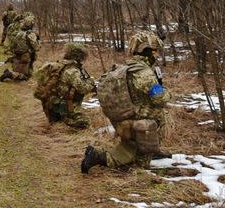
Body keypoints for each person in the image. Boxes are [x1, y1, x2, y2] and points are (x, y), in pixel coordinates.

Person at [82, 31, 171, 173]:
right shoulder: (144, 73)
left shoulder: (127, 68)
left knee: (132, 150)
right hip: (139, 119)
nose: (157, 56)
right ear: (147, 51)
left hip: (125, 117)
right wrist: (167, 93)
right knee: (138, 165)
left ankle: (149, 151)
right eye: (155, 52)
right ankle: (97, 157)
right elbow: (159, 98)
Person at [33, 43, 93, 129]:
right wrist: (90, 82)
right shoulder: (72, 71)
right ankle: (65, 120)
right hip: (64, 106)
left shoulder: (57, 65)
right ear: (80, 56)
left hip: (49, 106)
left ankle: (57, 120)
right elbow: (83, 89)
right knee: (85, 122)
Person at [0, 17, 40, 82]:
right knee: (25, 77)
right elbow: (37, 48)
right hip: (26, 56)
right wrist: (39, 40)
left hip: (18, 55)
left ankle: (12, 73)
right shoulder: (31, 34)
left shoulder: (19, 33)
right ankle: (10, 74)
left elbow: (13, 45)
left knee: (24, 73)